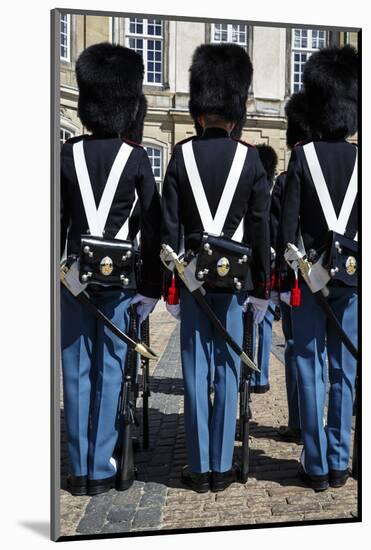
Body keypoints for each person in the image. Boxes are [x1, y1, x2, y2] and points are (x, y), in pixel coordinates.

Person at [162, 43, 271, 493]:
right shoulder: (250, 158)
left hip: (191, 282)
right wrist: (263, 288)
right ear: (236, 106)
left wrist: (173, 284)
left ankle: (200, 464)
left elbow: (167, 226)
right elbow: (262, 230)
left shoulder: (180, 155)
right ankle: (223, 466)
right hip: (234, 285)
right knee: (227, 371)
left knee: (193, 373)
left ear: (199, 106)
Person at [60, 43, 162, 496]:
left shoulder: (67, 153)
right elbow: (153, 225)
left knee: (76, 372)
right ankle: (102, 465)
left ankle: (79, 467)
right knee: (108, 371)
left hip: (74, 280)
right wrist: (151, 286)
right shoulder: (137, 158)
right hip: (119, 282)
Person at [278, 45, 358, 491]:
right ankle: (340, 460)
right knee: (343, 368)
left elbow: (288, 226)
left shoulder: (303, 156)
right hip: (351, 279)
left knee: (308, 366)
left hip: (308, 280)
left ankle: (316, 461)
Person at [273, 90, 314, 443]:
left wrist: (281, 278)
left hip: (299, 278)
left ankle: (299, 421)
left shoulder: (288, 178)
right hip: (343, 275)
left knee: (297, 349)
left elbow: (279, 231)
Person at [249, 144, 278, 394]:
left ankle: (244, 372)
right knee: (265, 322)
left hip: (245, 263)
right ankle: (262, 377)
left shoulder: (249, 190)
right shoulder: (271, 193)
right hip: (268, 263)